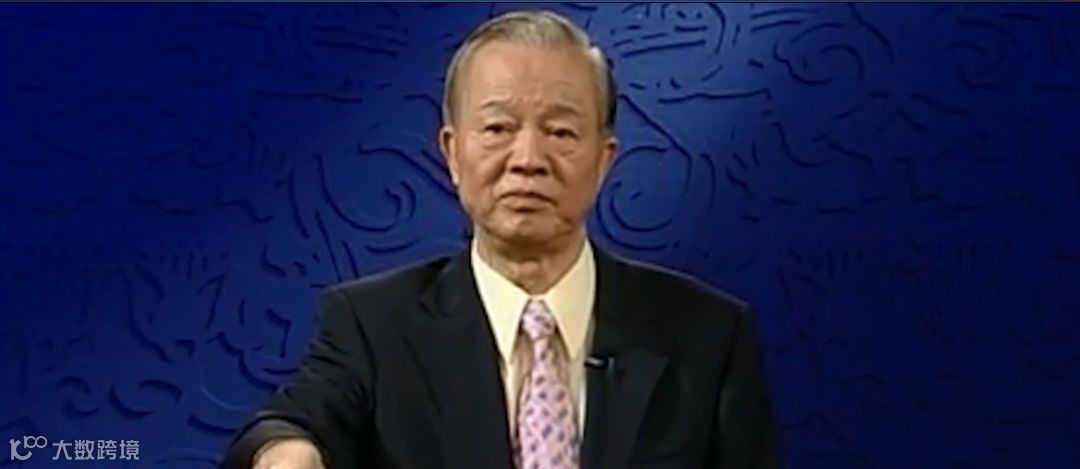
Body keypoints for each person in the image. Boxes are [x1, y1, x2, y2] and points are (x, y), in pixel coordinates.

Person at [221, 10, 778, 469]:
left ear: (604, 160)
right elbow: (293, 419)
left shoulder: (708, 335)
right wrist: (286, 452)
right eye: (497, 129)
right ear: (452, 153)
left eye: (560, 132)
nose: (528, 159)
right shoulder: (372, 326)